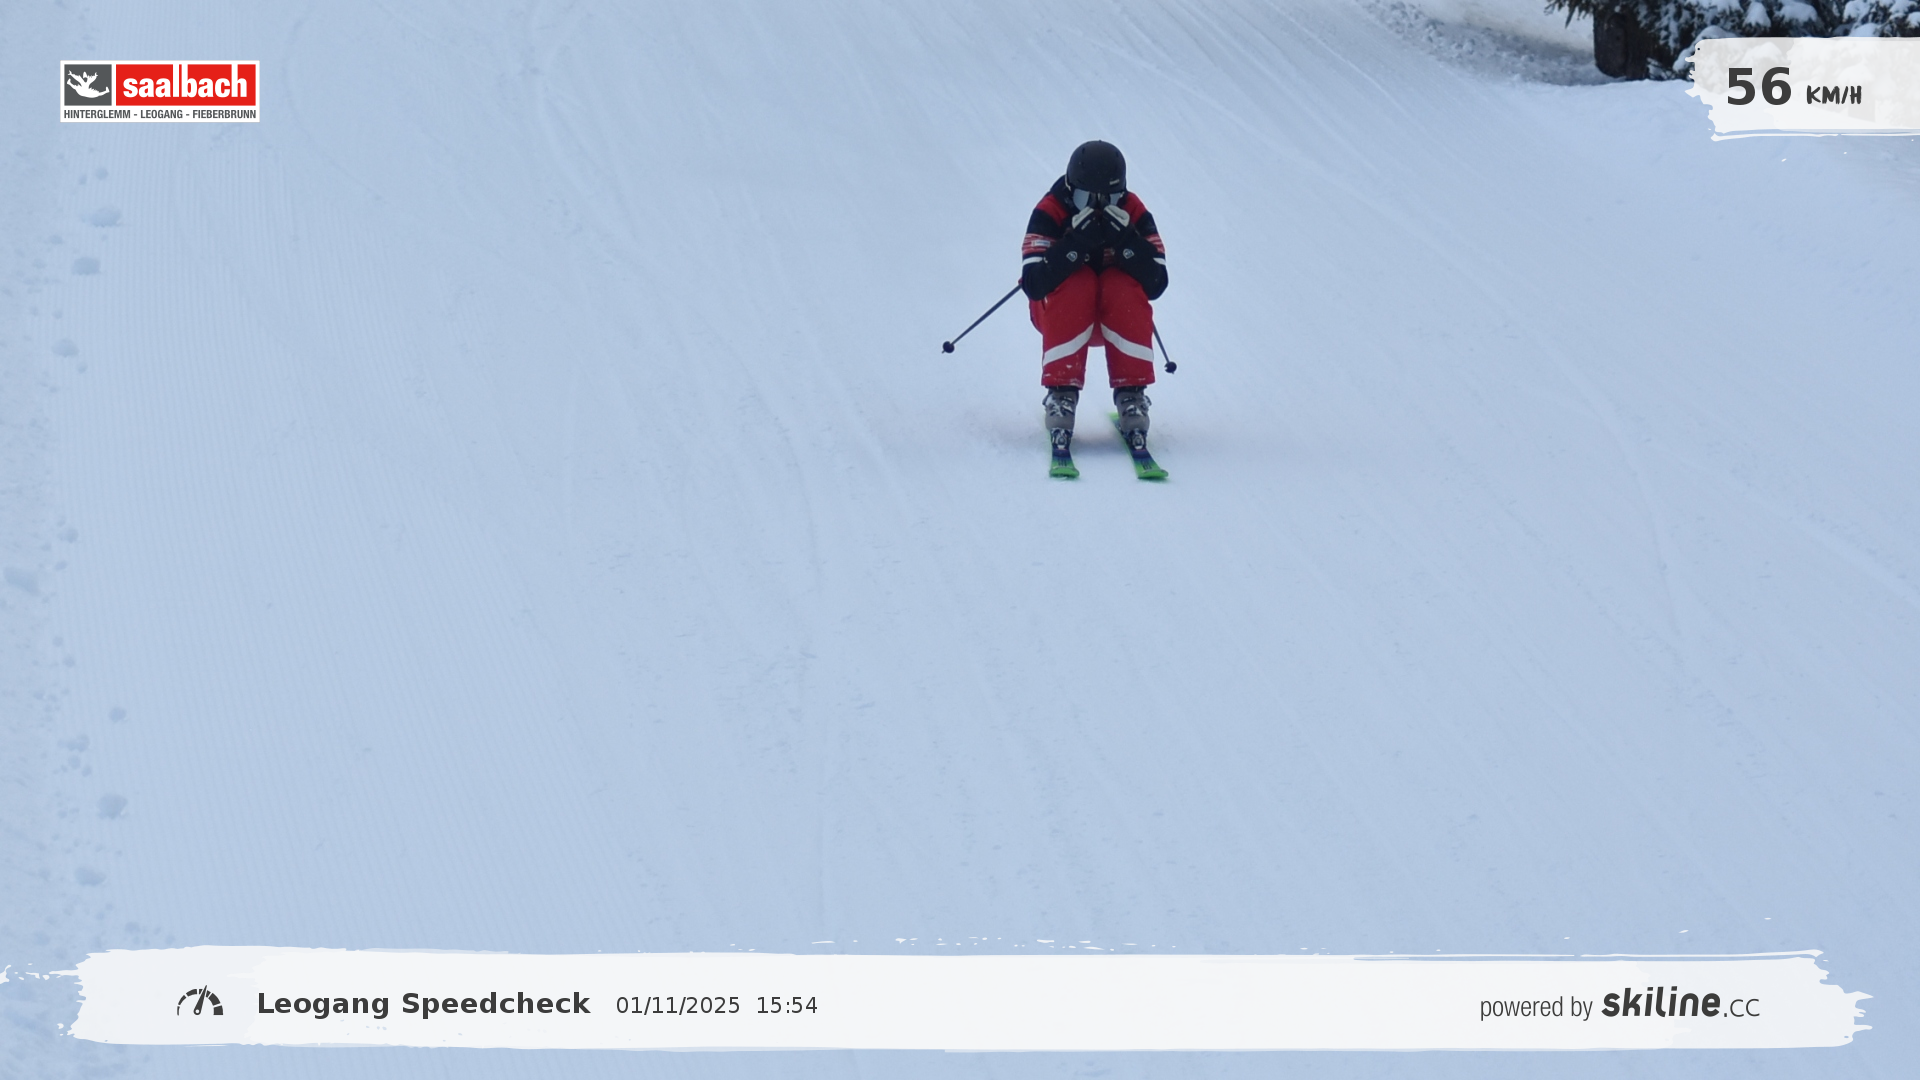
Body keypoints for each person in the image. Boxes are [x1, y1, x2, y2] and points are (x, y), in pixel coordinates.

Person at [1020, 140, 1168, 457]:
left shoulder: (1134, 210)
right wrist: (1073, 245)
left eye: (1110, 199)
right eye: (1085, 199)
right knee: (1079, 281)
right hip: (1058, 314)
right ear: (1070, 189)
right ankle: (1061, 393)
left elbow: (1157, 283)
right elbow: (1033, 284)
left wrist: (1128, 241)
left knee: (1120, 283)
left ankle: (1132, 393)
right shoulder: (1050, 210)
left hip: (1112, 315)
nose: (1098, 207)